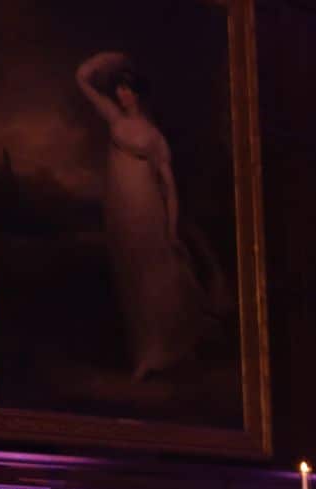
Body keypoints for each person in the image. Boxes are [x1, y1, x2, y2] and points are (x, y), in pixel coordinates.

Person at [75, 51, 217, 380]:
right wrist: (108, 58)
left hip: (146, 209)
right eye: (119, 88)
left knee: (153, 277)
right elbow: (81, 77)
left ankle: (160, 351)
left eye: (127, 89)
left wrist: (171, 229)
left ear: (138, 93)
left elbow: (170, 188)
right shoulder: (114, 118)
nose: (121, 94)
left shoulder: (154, 137)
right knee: (130, 278)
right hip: (120, 210)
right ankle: (142, 351)